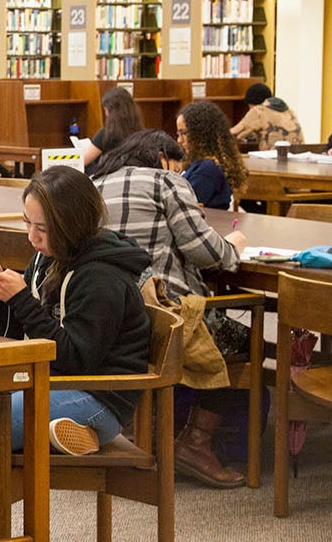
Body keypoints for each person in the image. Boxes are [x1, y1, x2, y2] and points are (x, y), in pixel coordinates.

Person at [0, 166, 152, 542]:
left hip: (96, 396)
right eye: (29, 223)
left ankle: (50, 428)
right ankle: (39, 430)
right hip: (50, 382)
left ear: (72, 225)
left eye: (42, 229)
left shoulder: (102, 278)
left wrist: (22, 298)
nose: (32, 237)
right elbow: (18, 334)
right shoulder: (52, 258)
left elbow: (76, 360)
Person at [89, 129, 251, 488]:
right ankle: (195, 443)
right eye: (177, 167)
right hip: (160, 315)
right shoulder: (166, 182)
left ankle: (138, 428)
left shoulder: (95, 183)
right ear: (162, 158)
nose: (180, 174)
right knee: (244, 344)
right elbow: (205, 252)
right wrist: (234, 246)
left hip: (107, 316)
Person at [177, 101, 247, 210]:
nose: (179, 140)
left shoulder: (207, 169)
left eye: (184, 133)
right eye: (179, 134)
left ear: (200, 133)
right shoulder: (200, 162)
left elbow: (182, 205)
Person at [81, 87, 144, 169]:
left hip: (108, 178)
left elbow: (84, 161)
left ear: (109, 110)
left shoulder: (106, 134)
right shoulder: (140, 132)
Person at [230, 82, 302, 150]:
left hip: (272, 159)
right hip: (297, 158)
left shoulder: (258, 111)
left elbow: (232, 134)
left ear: (250, 103)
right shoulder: (289, 112)